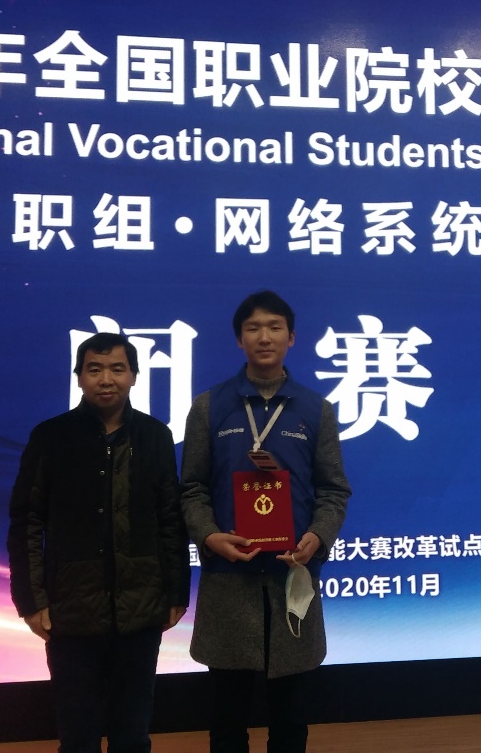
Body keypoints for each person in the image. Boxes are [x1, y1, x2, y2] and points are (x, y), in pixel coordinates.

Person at [181, 290, 351, 753]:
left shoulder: (315, 409)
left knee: (291, 718)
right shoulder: (209, 406)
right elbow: (191, 488)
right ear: (239, 339)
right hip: (229, 579)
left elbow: (334, 490)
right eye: (253, 328)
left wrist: (317, 536)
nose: (264, 337)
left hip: (292, 576)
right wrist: (209, 536)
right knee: (227, 718)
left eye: (275, 327)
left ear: (291, 337)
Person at [8, 332, 190, 753]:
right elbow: (26, 521)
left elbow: (170, 519)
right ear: (79, 377)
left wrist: (176, 592)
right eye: (94, 369)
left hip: (140, 608)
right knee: (78, 736)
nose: (106, 379)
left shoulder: (155, 436)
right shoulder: (50, 437)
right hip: (71, 610)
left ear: (134, 376)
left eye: (117, 369)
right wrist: (31, 600)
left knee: (132, 734)